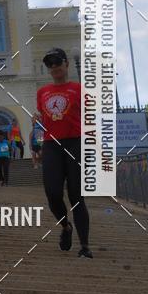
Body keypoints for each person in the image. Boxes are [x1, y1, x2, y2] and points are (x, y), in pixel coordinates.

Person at [37, 47, 92, 258]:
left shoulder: (79, 89)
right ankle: (65, 227)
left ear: (66, 64)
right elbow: (46, 117)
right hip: (52, 145)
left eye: (57, 62)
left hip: (76, 143)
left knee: (77, 195)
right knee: (52, 193)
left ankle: (85, 246)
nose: (54, 67)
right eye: (49, 64)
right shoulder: (42, 92)